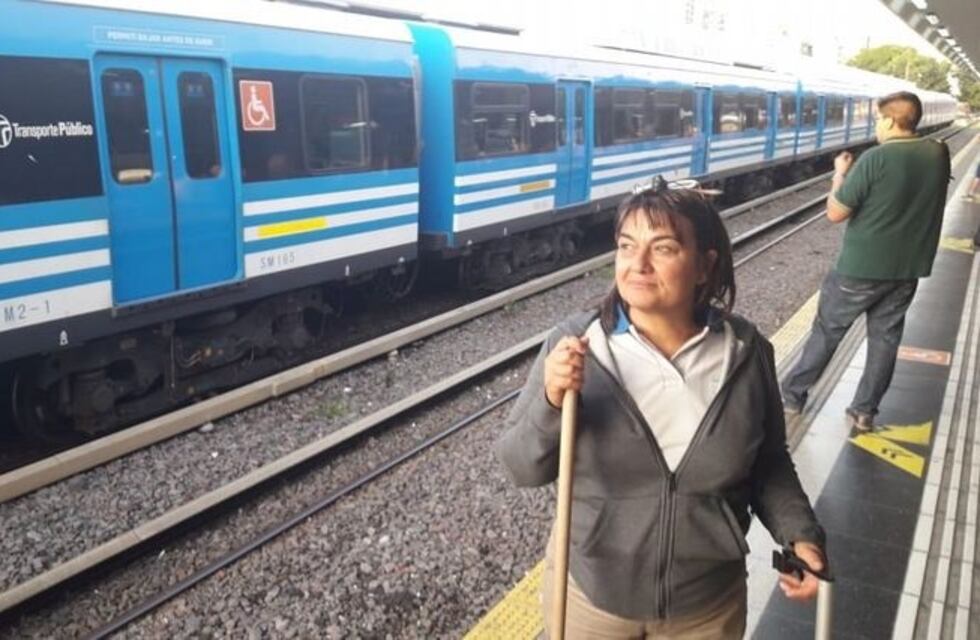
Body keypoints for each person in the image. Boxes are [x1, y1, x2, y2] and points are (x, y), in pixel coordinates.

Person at [495, 179, 826, 639]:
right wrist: (551, 400)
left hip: (707, 608)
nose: (638, 265)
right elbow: (519, 467)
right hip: (592, 601)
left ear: (705, 267)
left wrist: (800, 535)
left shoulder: (745, 353)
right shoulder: (578, 347)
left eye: (664, 248)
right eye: (626, 246)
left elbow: (767, 463)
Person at [781, 91, 951, 432]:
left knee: (828, 332)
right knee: (885, 339)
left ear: (890, 120)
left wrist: (840, 174)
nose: (875, 124)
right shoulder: (938, 153)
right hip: (907, 269)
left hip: (859, 269)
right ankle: (864, 411)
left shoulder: (876, 158)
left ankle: (791, 397)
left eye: (877, 118)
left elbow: (835, 212)